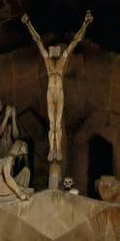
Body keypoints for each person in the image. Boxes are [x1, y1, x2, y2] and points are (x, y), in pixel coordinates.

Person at [23, 10, 92, 175]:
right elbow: (38, 40)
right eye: (53, 50)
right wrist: (28, 24)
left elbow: (75, 41)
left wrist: (85, 23)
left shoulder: (61, 63)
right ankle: (52, 150)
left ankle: (57, 149)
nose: (55, 52)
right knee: (52, 124)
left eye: (56, 51)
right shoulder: (47, 61)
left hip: (59, 92)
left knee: (58, 123)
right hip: (51, 92)